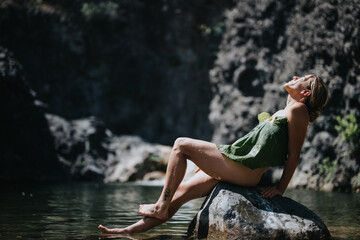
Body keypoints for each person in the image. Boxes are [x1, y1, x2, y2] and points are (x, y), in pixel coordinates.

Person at [98, 74, 329, 234]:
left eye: (302, 79)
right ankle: (125, 232)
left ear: (306, 93)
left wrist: (280, 189)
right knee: (179, 195)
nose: (295, 77)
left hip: (243, 170)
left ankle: (159, 204)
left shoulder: (298, 111)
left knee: (181, 145)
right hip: (236, 167)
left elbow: (294, 154)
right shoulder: (288, 108)